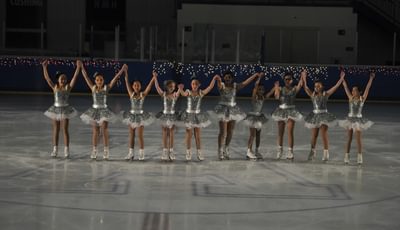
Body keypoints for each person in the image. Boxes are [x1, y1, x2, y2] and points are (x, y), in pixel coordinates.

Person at [80, 62, 126, 160]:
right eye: (97, 80)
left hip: (104, 111)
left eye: (101, 79)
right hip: (94, 111)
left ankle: (106, 150)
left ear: (103, 80)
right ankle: (95, 150)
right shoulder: (93, 88)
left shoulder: (106, 88)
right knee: (95, 131)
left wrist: (122, 70)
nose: (99, 81)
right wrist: (81, 66)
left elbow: (115, 78)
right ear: (95, 81)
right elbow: (86, 77)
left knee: (104, 129)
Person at [214, 71, 260, 160]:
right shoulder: (222, 85)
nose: (227, 78)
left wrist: (254, 75)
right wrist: (218, 80)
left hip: (233, 110)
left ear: (232, 78)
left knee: (230, 131)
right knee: (223, 132)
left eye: (229, 77)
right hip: (223, 110)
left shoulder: (235, 86)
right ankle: (220, 150)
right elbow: (219, 84)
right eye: (226, 77)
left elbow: (245, 83)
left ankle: (226, 148)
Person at [302, 70, 345, 162]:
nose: (316, 87)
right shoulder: (312, 95)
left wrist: (341, 78)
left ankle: (326, 153)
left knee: (323, 134)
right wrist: (304, 77)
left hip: (324, 116)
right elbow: (305, 87)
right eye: (315, 86)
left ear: (322, 87)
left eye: (318, 86)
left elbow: (336, 86)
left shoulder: (326, 94)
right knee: (314, 135)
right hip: (315, 115)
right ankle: (312, 152)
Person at [42, 59, 80, 158]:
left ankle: (66, 150)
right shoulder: (55, 87)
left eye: (65, 79)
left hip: (66, 110)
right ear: (58, 80)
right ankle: (55, 150)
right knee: (56, 130)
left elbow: (75, 77)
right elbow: (47, 79)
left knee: (65, 130)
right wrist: (44, 67)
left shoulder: (68, 87)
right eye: (61, 79)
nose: (63, 80)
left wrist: (78, 67)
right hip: (55, 110)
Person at [178, 74, 220, 161]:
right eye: (193, 84)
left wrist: (214, 78)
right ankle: (188, 152)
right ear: (191, 84)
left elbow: (210, 87)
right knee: (189, 135)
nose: (194, 85)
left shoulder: (201, 93)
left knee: (198, 136)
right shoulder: (188, 92)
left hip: (198, 116)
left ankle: (199, 152)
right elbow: (183, 94)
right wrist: (180, 89)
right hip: (188, 116)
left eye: (196, 84)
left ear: (199, 85)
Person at [339, 72, 375, 165]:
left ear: (359, 92)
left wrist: (371, 79)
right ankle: (347, 155)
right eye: (352, 90)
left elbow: (368, 88)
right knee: (349, 139)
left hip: (358, 121)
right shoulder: (350, 98)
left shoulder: (362, 99)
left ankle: (360, 157)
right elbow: (345, 87)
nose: (353, 92)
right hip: (350, 120)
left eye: (355, 90)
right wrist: (343, 78)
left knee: (358, 139)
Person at [122, 68, 156, 161]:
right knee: (131, 135)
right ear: (133, 86)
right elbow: (126, 82)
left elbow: (149, 87)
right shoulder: (131, 94)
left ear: (140, 86)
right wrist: (125, 73)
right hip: (132, 116)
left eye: (138, 85)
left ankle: (141, 153)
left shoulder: (142, 94)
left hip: (141, 117)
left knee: (140, 135)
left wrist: (153, 78)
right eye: (135, 85)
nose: (136, 87)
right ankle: (131, 153)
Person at [271, 71, 304, 160]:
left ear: (292, 80)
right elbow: (277, 97)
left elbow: (301, 84)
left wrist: (302, 76)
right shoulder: (281, 88)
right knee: (280, 132)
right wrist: (276, 88)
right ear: (284, 80)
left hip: (292, 111)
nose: (287, 80)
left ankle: (290, 151)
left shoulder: (294, 89)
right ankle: (280, 150)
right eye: (286, 79)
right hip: (281, 110)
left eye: (289, 79)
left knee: (290, 132)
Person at [243, 73, 276, 160]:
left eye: (262, 89)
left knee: (258, 135)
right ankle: (248, 151)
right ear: (257, 90)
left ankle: (257, 151)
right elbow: (255, 86)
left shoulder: (263, 97)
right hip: (252, 117)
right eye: (259, 89)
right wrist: (260, 77)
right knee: (252, 135)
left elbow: (269, 93)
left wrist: (275, 87)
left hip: (259, 118)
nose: (261, 90)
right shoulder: (255, 97)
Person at [154, 74, 180, 161]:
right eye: (170, 86)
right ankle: (165, 150)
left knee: (171, 134)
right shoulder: (163, 94)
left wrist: (180, 88)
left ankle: (171, 151)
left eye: (173, 86)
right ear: (167, 86)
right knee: (165, 133)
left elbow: (180, 91)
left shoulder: (176, 94)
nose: (172, 88)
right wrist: (155, 78)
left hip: (172, 116)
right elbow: (157, 87)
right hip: (164, 116)